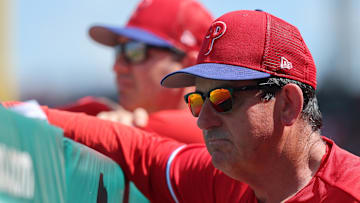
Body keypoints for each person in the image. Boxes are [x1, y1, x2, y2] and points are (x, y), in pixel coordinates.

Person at [6, 10, 360, 202]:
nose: (204, 120)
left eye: (223, 99)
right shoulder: (227, 177)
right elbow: (143, 151)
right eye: (196, 99)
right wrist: (31, 114)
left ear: (288, 105)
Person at [58, 0, 213, 144]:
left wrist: (116, 128)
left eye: (136, 51)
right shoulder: (129, 122)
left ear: (189, 66)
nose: (117, 67)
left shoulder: (216, 132)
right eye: (119, 51)